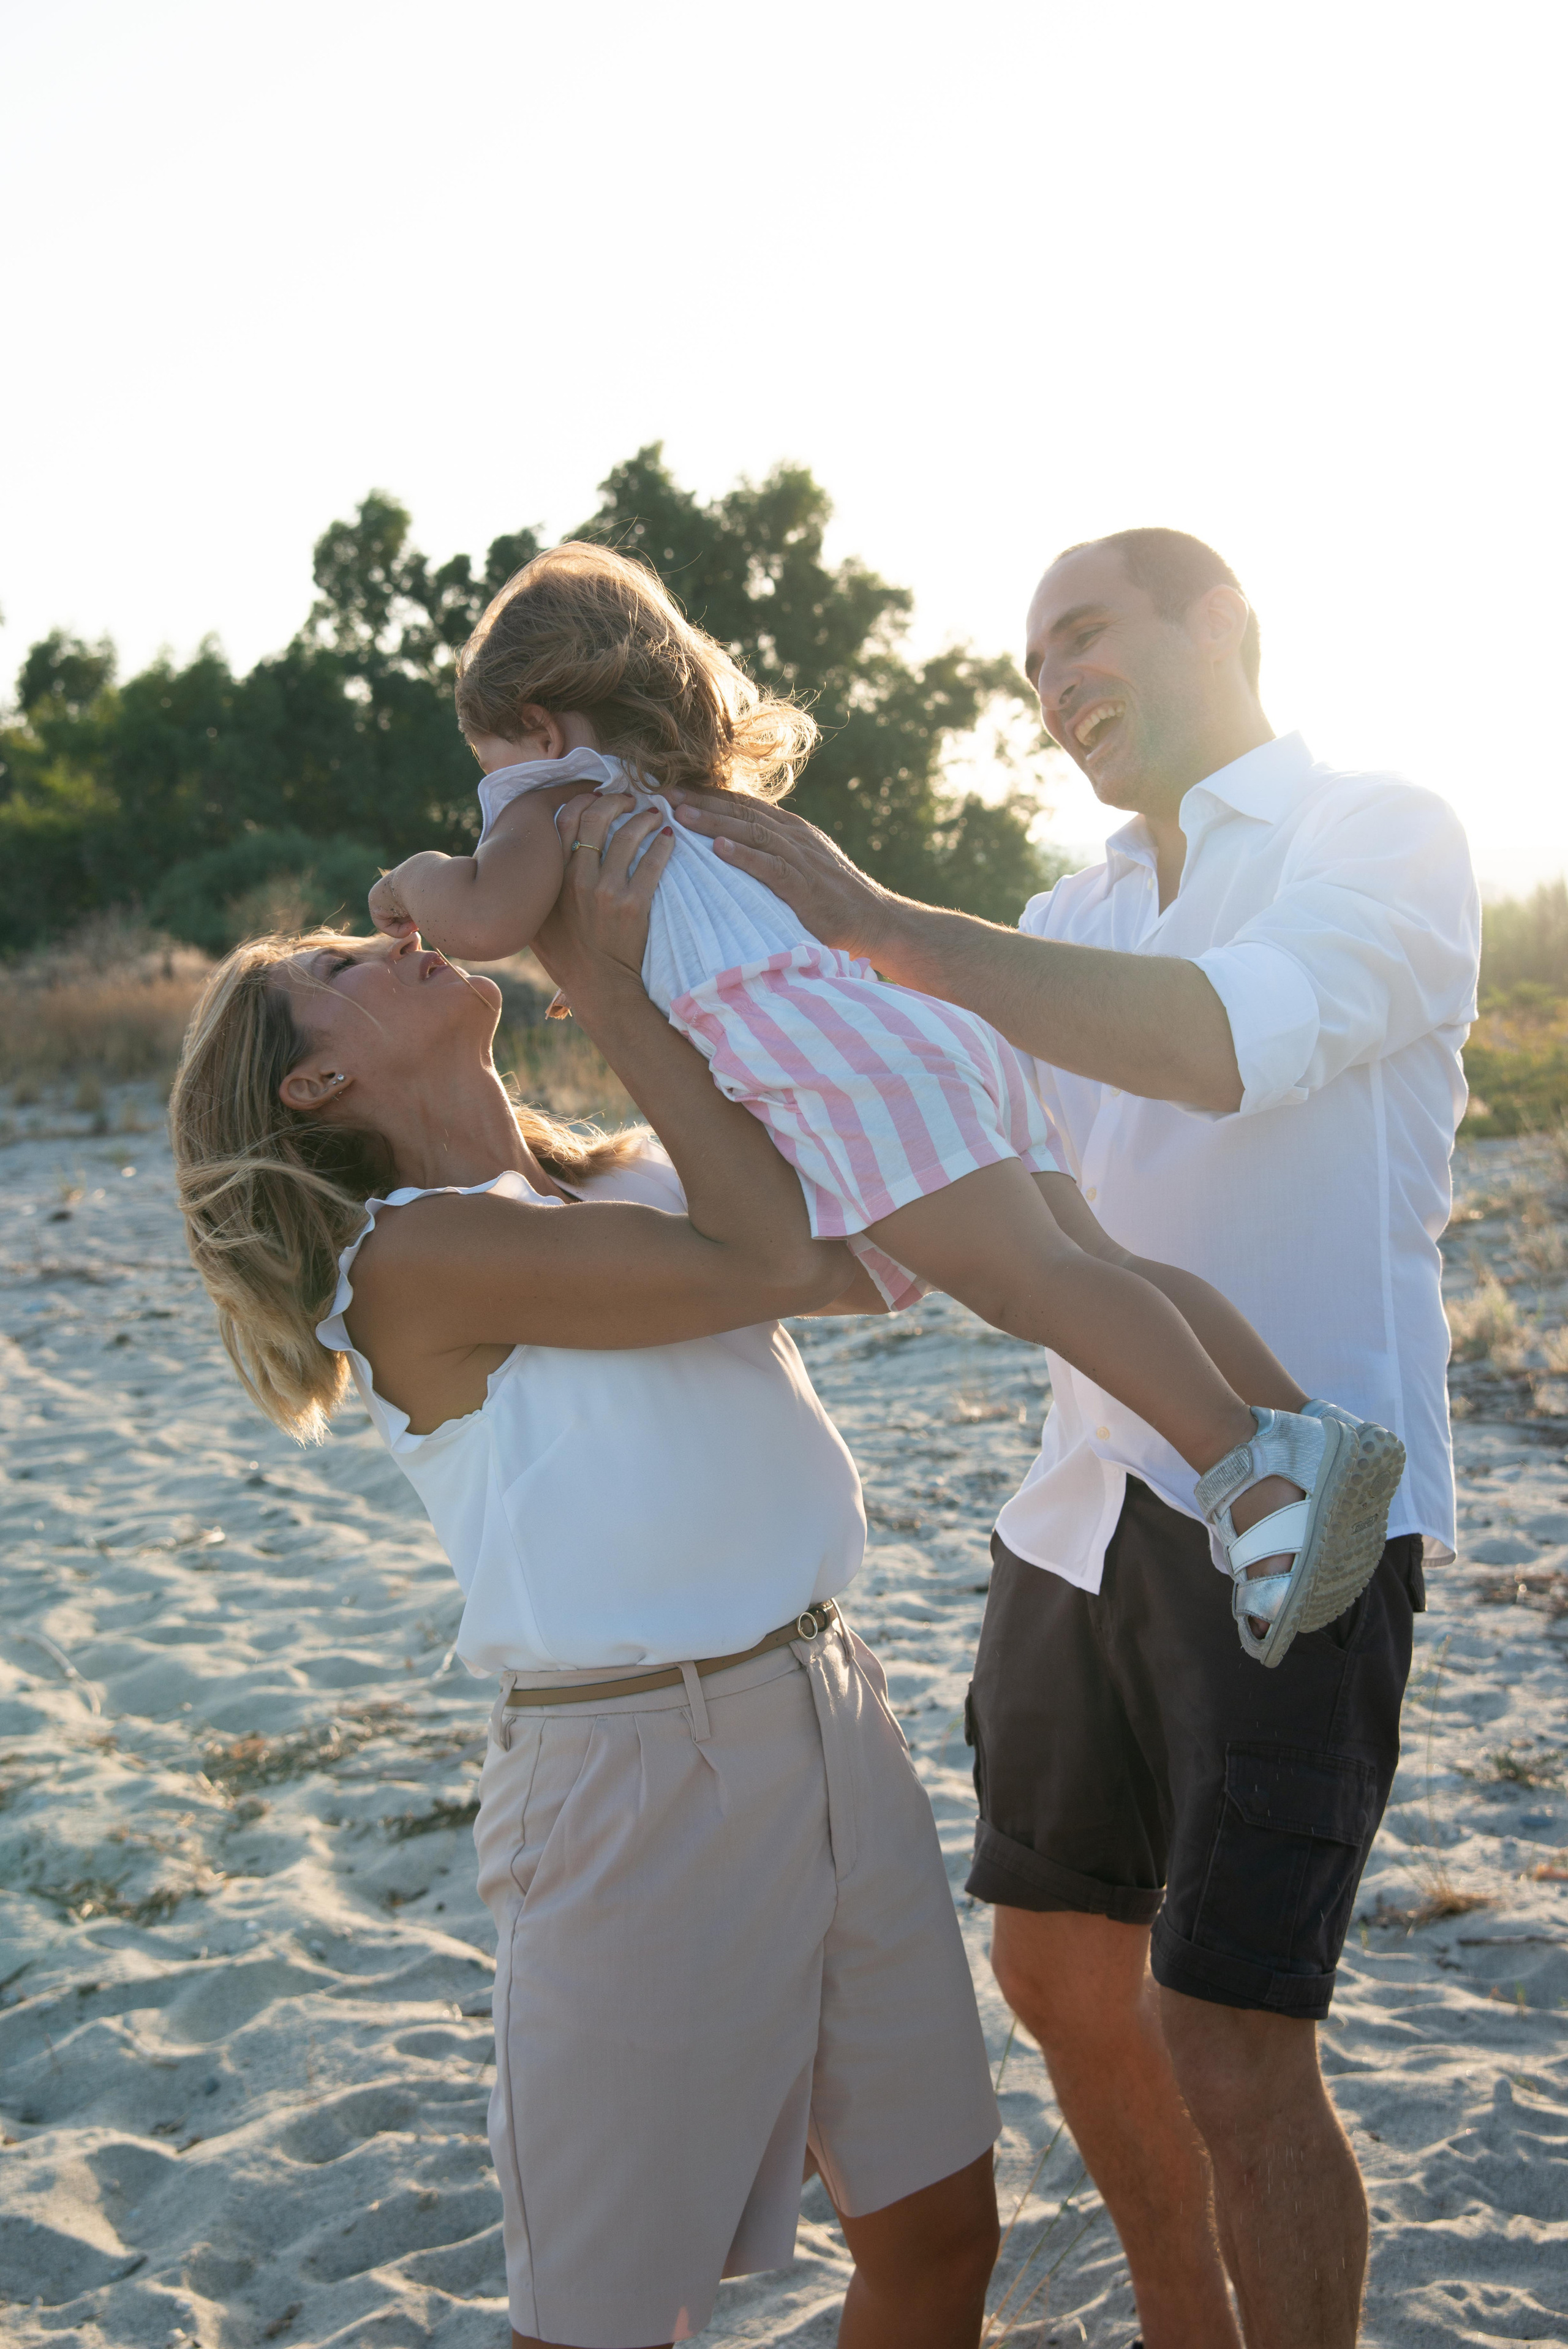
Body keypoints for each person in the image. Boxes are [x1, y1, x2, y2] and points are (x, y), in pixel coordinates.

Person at [664, 527, 1480, 2349]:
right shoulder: (1067, 912)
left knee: (1234, 2033)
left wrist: (879, 919)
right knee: (1053, 1966)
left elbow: (1216, 1044)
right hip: (1079, 1504)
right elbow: (952, 1167)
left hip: (1306, 1506)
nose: (1054, 688)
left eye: (1086, 635)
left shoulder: (1385, 832)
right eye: (1034, 662)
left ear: (1226, 622)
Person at [168, 793, 1005, 2349]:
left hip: (834, 1714)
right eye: (349, 959)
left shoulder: (617, 1176)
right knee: (613, 2322)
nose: (397, 932)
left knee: (943, 2237)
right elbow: (771, 1260)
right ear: (319, 1078)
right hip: (636, 1780)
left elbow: (863, 1264)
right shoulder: (408, 1265)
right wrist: (604, 974)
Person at [366, 540, 1405, 1666]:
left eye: (487, 757)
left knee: (1038, 1286)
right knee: (1096, 1258)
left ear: (535, 722)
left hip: (843, 1074)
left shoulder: (548, 798)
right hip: (915, 1034)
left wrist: (413, 881)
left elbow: (483, 916)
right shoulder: (683, 807)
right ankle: (1308, 1432)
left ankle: (1248, 1482)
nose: (490, 789)